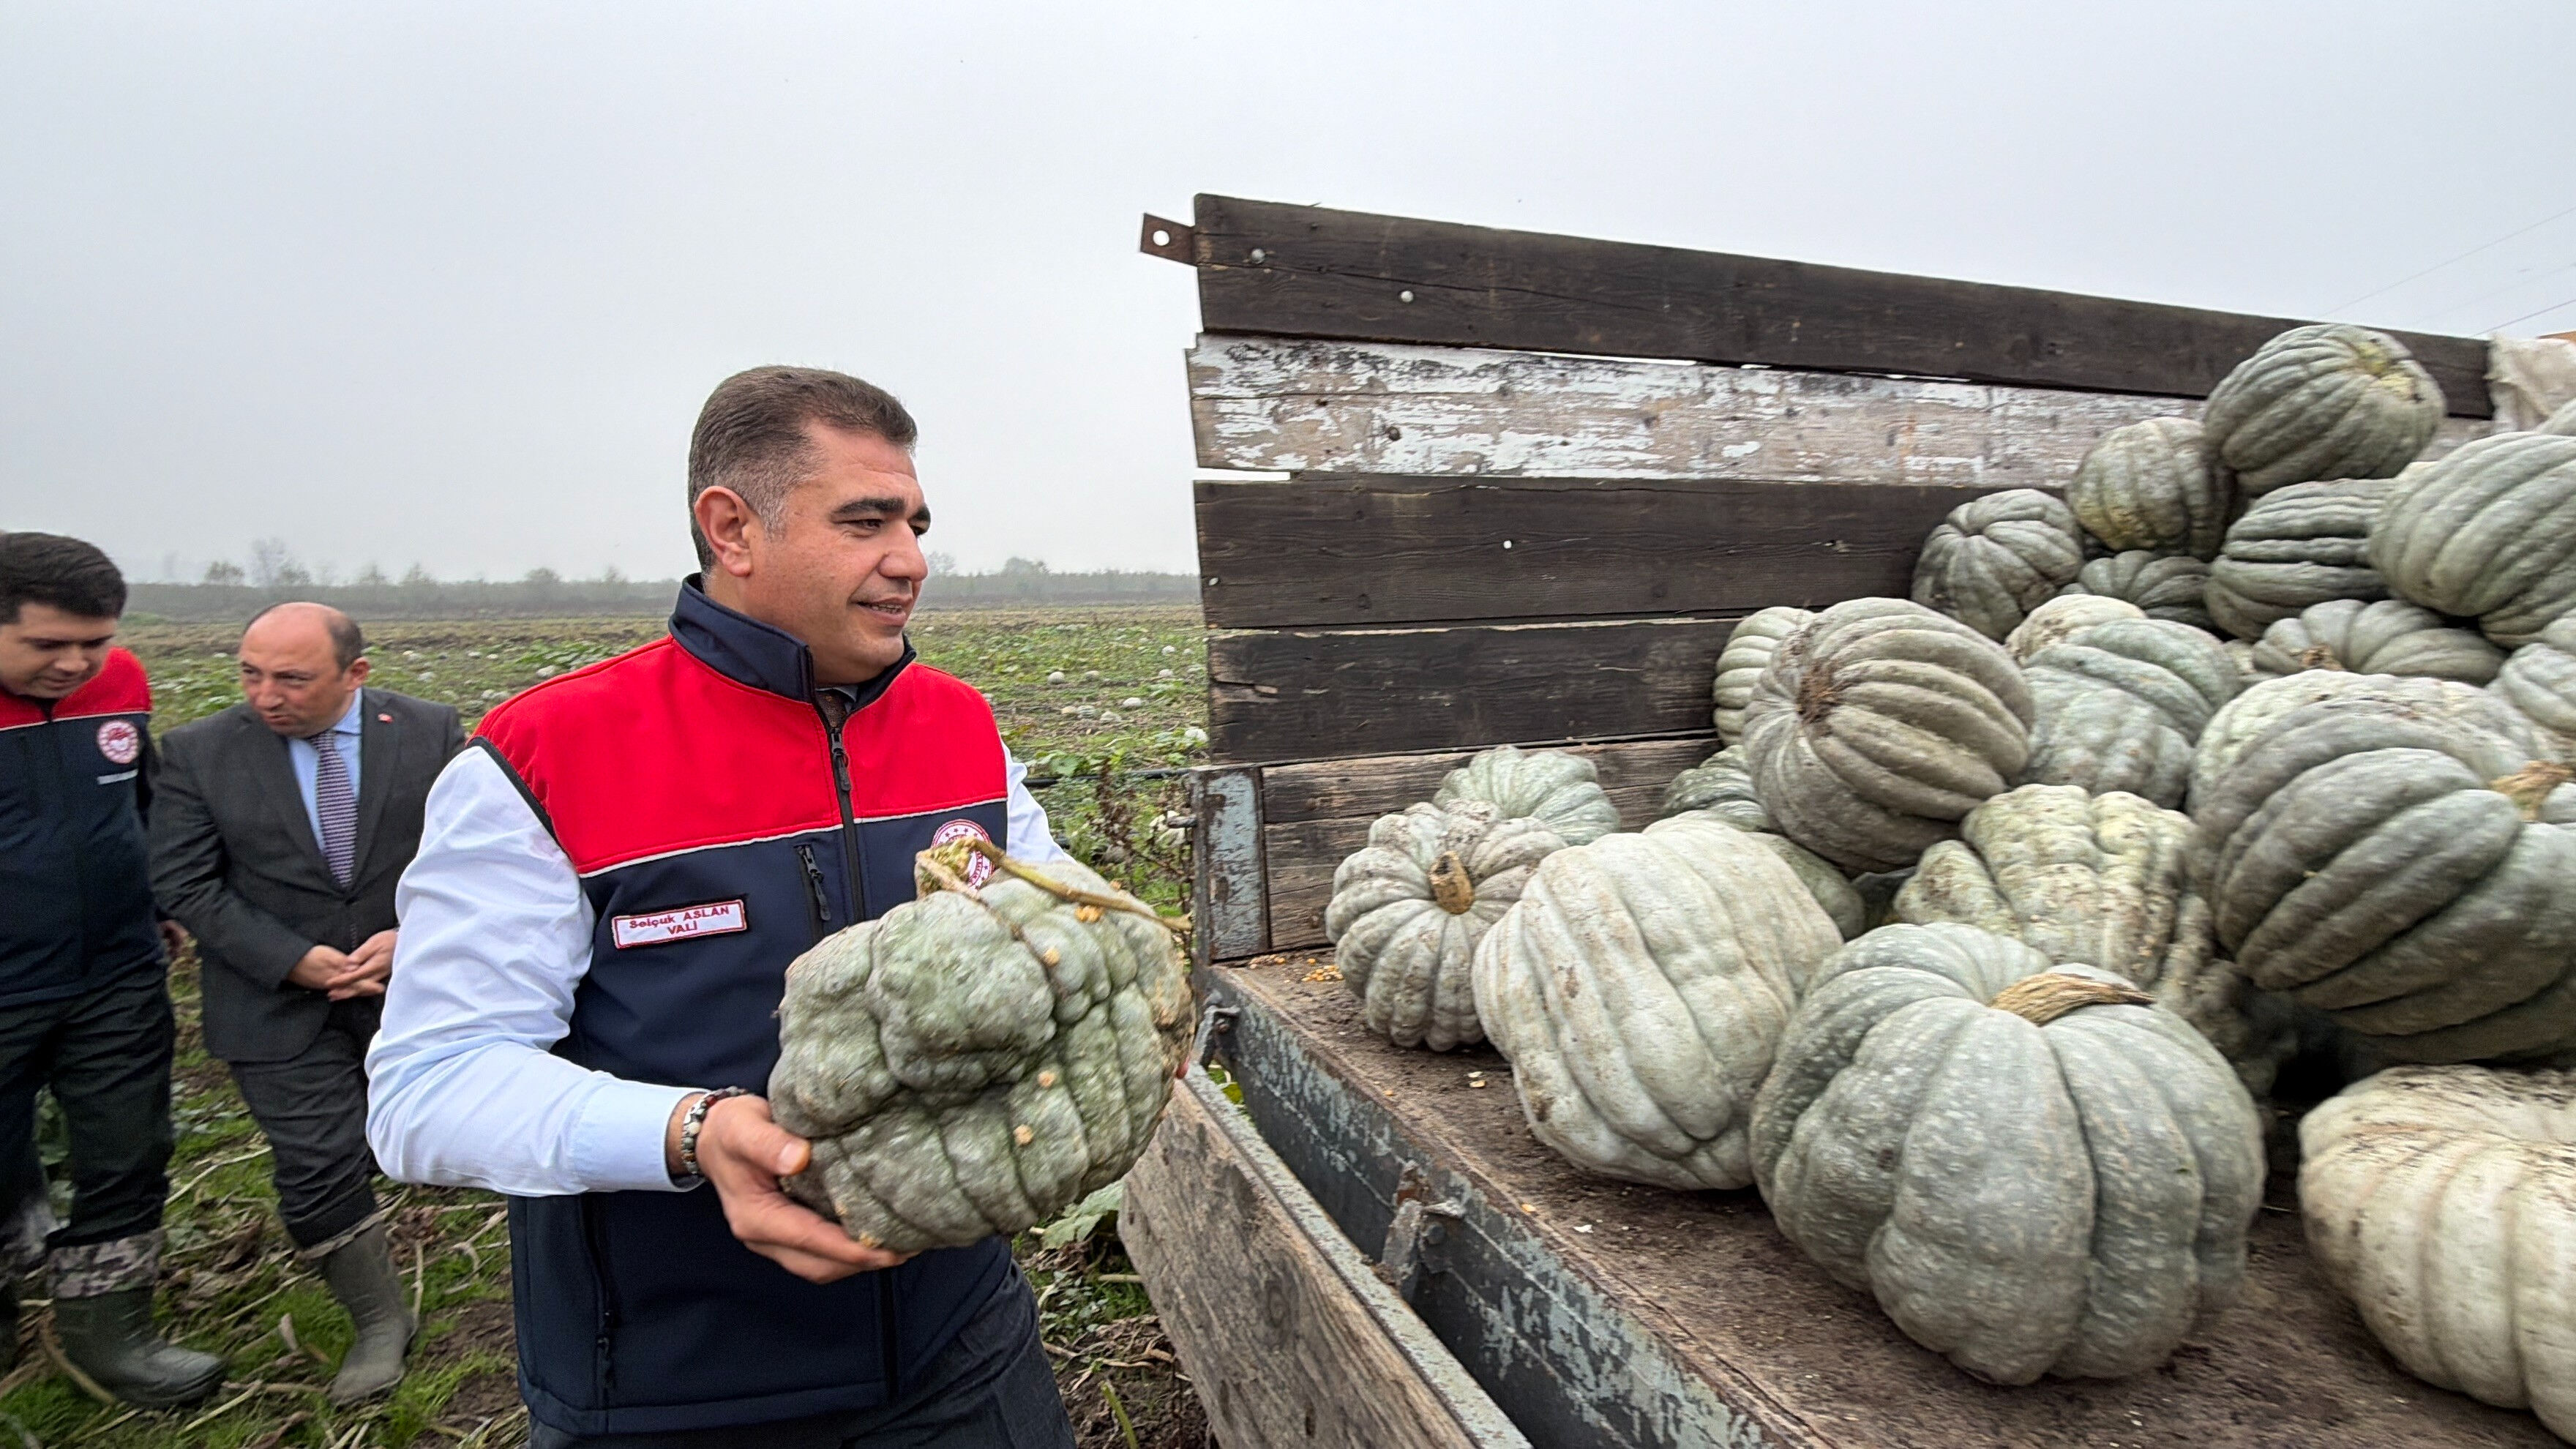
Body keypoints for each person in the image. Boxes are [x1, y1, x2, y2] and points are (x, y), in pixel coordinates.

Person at [367, 367, 1082, 1448]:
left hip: (962, 1350)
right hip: (679, 1390)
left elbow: (1063, 921)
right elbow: (428, 1086)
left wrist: (1111, 983)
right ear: (732, 529)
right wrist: (691, 1133)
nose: (912, 560)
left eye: (918, 523)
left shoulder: (962, 730)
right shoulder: (541, 760)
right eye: (866, 521)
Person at [149, 602, 463, 1403]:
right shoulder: (196, 753)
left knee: (445, 1130)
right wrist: (291, 961)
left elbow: (471, 852)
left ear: (355, 675)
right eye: (250, 674)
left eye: (292, 678)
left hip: (411, 987)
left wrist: (411, 933)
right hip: (272, 1001)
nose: (265, 695)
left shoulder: (428, 732)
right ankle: (378, 1322)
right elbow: (183, 880)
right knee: (314, 1162)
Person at [0, 533, 225, 1407]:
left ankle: (112, 1330)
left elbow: (143, 804)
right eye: (48, 645)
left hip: (116, 972)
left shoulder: (121, 683)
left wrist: (163, 900)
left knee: (126, 1149)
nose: (76, 664)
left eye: (93, 643)